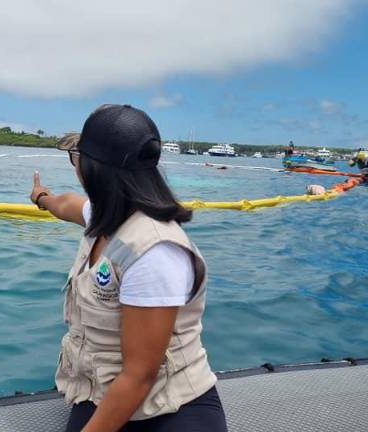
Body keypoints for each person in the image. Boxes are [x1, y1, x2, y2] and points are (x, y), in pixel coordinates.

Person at [30, 104, 227, 432]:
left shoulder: (154, 251)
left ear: (92, 168)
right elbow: (68, 205)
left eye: (76, 157)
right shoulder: (106, 213)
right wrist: (41, 197)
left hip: (171, 405)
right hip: (104, 392)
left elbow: (139, 376)